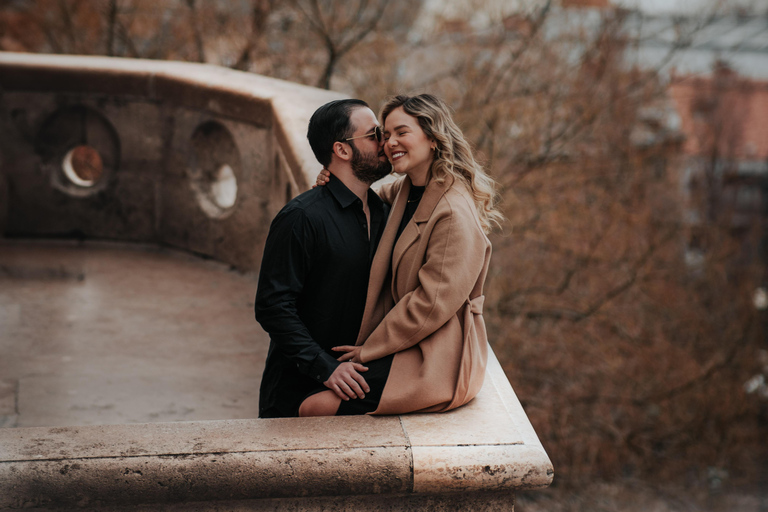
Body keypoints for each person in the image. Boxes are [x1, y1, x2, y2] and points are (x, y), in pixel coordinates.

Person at [300, 93, 502, 416]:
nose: (389, 142)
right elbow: (363, 200)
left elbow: (430, 305)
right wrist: (332, 178)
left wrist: (368, 352)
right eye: (385, 133)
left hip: (436, 354)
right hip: (403, 338)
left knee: (316, 407)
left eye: (402, 132)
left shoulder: (452, 212)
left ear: (433, 138)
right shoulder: (409, 188)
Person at [254, 98, 392, 418]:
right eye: (374, 135)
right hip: (300, 394)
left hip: (357, 382)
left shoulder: (386, 212)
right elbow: (272, 306)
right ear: (342, 150)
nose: (385, 142)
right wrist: (326, 369)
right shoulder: (301, 217)